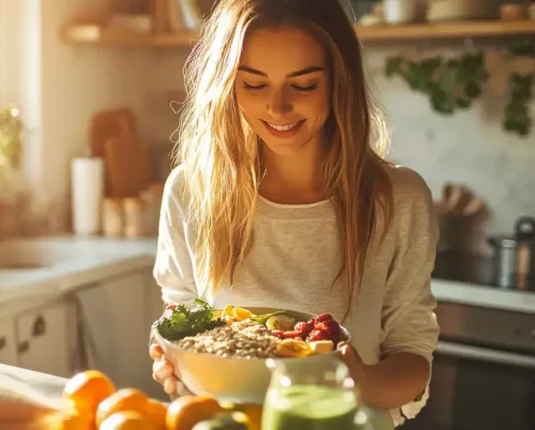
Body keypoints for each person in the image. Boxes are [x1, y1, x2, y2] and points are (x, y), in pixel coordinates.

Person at [149, 0, 440, 426]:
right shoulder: (190, 192)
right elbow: (181, 326)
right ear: (228, 86)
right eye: (254, 85)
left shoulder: (397, 200)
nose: (278, 108)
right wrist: (176, 369)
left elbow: (412, 358)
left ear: (340, 83)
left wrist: (351, 380)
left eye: (303, 86)